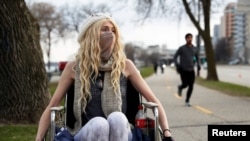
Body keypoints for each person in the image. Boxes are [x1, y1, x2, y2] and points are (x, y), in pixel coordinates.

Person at [35, 13, 173, 141]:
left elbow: (153, 100)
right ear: (91, 34)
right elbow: (52, 106)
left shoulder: (125, 65)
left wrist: (166, 132)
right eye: (104, 29)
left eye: (113, 30)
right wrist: (39, 138)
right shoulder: (74, 67)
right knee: (99, 124)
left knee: (118, 118)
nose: (110, 34)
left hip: (121, 132)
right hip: (85, 131)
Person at [173, 33, 200, 107]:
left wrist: (198, 65)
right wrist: (177, 65)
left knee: (191, 85)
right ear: (186, 39)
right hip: (183, 70)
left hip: (191, 70)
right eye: (188, 38)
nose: (190, 39)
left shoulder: (195, 49)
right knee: (185, 84)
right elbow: (175, 57)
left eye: (191, 38)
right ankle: (180, 87)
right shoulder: (182, 48)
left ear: (192, 39)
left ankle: (187, 100)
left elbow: (197, 58)